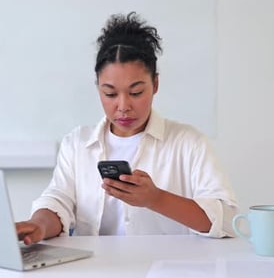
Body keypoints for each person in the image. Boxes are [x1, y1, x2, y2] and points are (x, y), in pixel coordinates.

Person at [16, 12, 238, 245]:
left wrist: (156, 199)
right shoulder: (77, 144)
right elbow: (58, 200)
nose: (123, 106)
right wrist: (39, 225)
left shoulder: (189, 143)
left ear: (155, 84)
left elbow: (226, 220)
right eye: (110, 93)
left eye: (136, 92)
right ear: (98, 87)